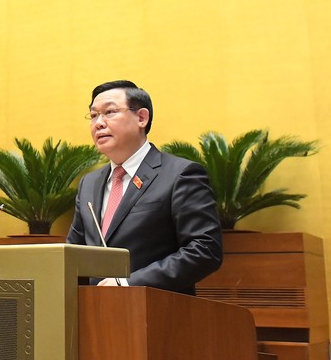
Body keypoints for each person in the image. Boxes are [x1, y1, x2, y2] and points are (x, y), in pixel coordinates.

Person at [66, 80, 222, 295]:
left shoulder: (180, 174)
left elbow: (205, 249)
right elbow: (73, 254)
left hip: (156, 313)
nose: (98, 123)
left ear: (141, 118)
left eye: (109, 112)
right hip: (94, 316)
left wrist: (128, 283)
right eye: (93, 115)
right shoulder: (89, 184)